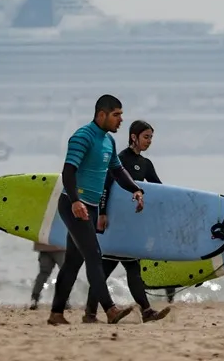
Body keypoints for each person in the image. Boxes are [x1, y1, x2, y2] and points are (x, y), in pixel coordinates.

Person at [47, 94, 146, 326]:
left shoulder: (108, 141)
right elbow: (68, 171)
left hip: (89, 207)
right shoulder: (83, 137)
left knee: (73, 262)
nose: (120, 120)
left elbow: (118, 171)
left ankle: (56, 314)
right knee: (94, 255)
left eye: (121, 114)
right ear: (101, 114)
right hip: (75, 206)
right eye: (116, 115)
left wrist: (136, 189)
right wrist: (75, 201)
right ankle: (110, 310)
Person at [83, 120, 172, 323]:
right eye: (146, 136)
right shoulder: (119, 159)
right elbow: (105, 186)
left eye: (151, 137)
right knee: (125, 268)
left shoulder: (146, 164)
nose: (149, 141)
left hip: (131, 226)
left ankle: (90, 313)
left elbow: (158, 189)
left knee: (111, 269)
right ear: (134, 136)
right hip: (114, 223)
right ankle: (146, 311)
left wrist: (168, 211)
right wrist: (103, 214)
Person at [30, 242, 67, 310]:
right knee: (65, 273)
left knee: (43, 274)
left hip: (43, 246)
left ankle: (34, 298)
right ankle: (64, 300)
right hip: (60, 246)